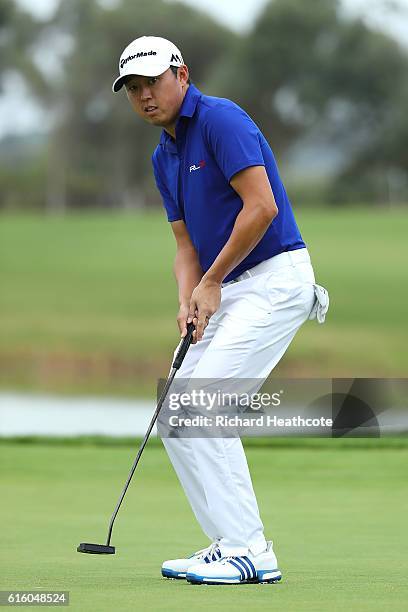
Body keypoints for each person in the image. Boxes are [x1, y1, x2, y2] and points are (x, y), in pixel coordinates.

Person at [112, 35, 329, 585]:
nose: (144, 95)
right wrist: (190, 298)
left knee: (203, 404)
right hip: (225, 287)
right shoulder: (164, 155)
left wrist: (210, 283)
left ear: (180, 75)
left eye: (152, 82)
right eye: (133, 88)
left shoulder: (221, 120)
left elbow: (262, 208)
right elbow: (185, 245)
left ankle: (252, 551)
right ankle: (228, 544)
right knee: (176, 414)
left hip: (275, 280)